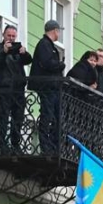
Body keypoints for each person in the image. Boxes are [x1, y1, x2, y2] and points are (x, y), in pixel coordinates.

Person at [0, 24, 32, 155]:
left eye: (14, 36)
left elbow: (29, 60)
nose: (11, 38)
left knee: (18, 118)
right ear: (3, 35)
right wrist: (4, 51)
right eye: (9, 35)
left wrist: (24, 53)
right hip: (5, 87)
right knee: (3, 117)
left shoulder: (17, 50)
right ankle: (2, 145)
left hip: (19, 88)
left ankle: (15, 145)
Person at [29, 19, 65, 154]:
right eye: (59, 31)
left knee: (55, 117)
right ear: (55, 30)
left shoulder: (48, 45)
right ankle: (46, 146)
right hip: (46, 86)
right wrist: (60, 65)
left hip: (52, 87)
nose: (59, 34)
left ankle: (53, 146)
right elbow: (47, 63)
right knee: (47, 116)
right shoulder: (44, 44)